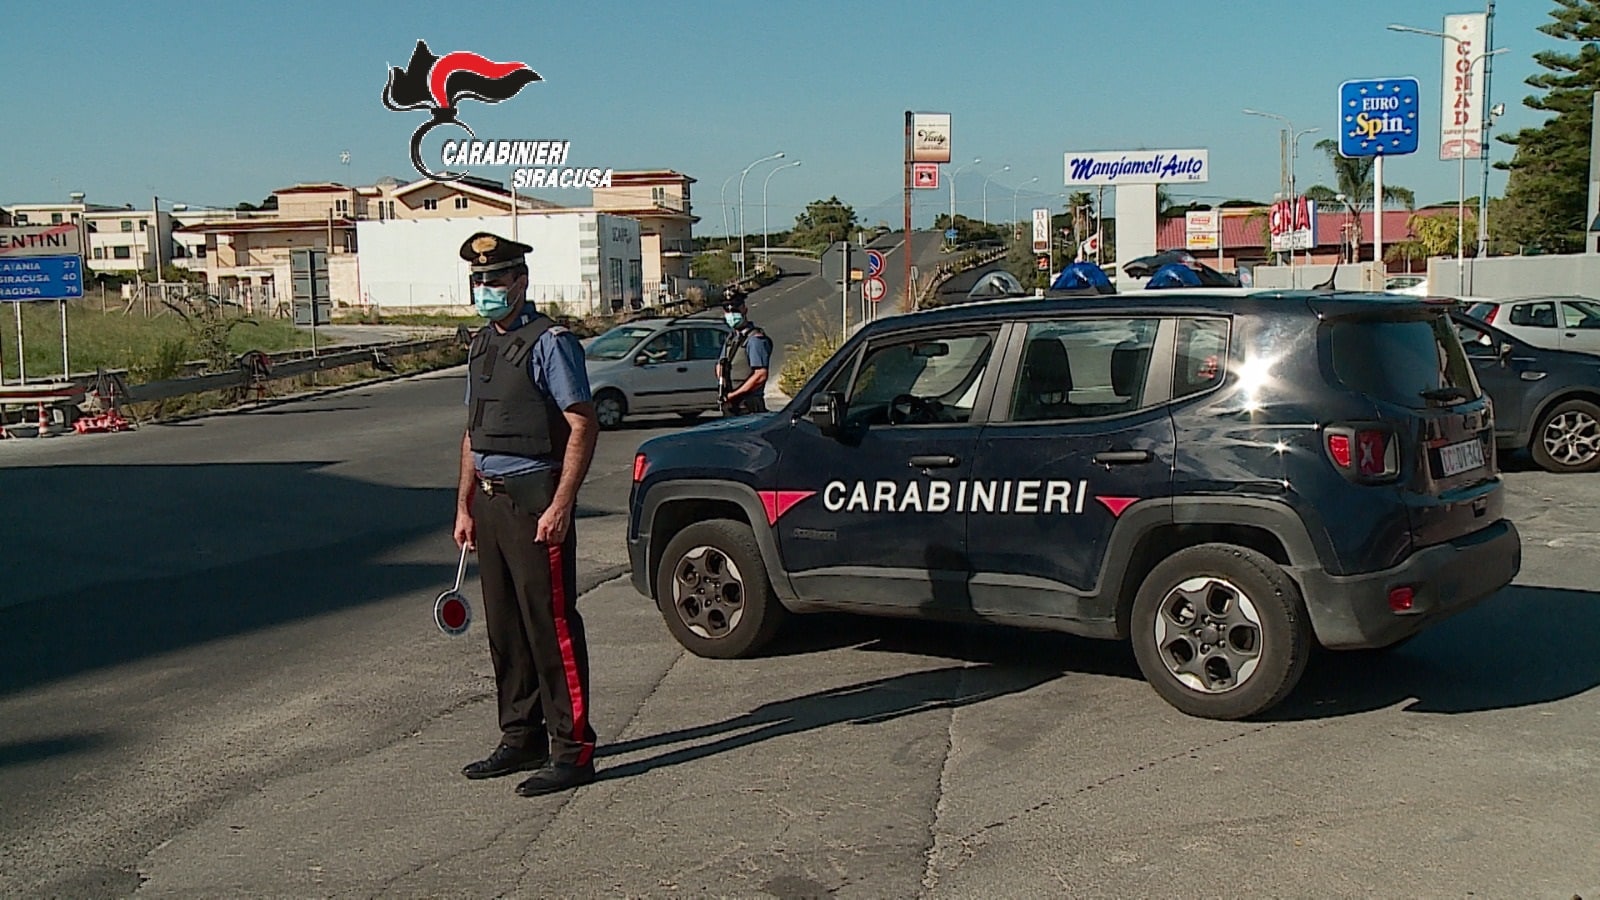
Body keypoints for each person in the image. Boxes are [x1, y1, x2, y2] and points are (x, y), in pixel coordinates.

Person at [452, 231, 601, 798]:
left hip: (535, 497)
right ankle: (521, 737)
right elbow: (473, 431)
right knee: (505, 630)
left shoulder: (551, 343)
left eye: (494, 280)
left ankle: (573, 748)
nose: (485, 289)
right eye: (478, 281)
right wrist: (463, 505)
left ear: (521, 282)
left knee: (551, 627)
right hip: (489, 503)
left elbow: (583, 424)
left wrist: (562, 505)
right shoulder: (480, 345)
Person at [715, 287, 773, 416]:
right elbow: (721, 364)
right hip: (732, 405)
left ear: (744, 309)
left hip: (748, 405)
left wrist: (734, 394)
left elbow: (760, 375)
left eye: (735, 309)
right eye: (727, 309)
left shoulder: (755, 340)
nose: (731, 313)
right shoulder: (731, 339)